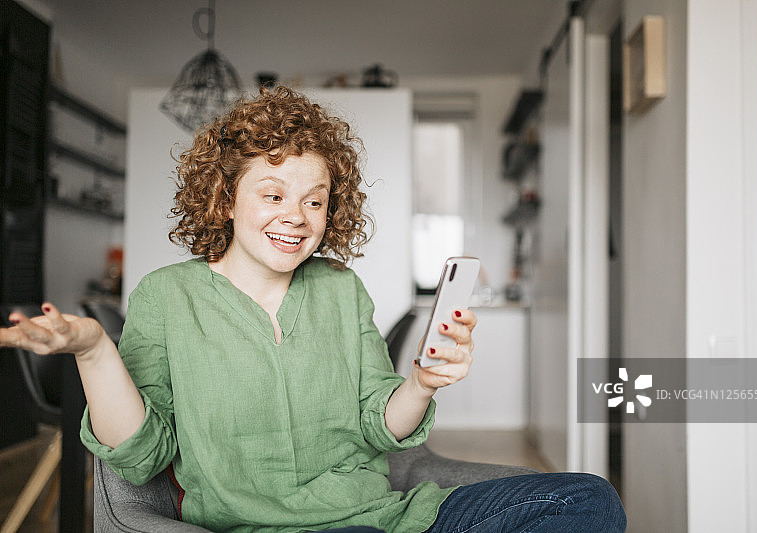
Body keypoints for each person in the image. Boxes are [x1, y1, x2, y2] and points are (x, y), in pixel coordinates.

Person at [0, 86, 626, 532]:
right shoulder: (168, 296)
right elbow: (142, 455)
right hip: (266, 526)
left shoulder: (339, 287)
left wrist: (421, 381)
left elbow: (380, 425)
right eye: (272, 193)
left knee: (587, 500)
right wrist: (93, 348)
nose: (296, 217)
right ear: (224, 197)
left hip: (386, 516)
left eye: (315, 201)